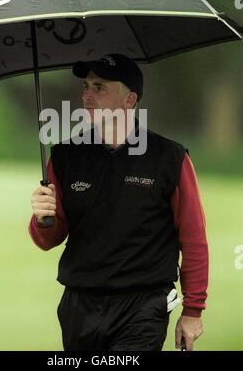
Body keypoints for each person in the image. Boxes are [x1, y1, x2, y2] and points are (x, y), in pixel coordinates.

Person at [29, 54, 209, 352]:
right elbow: (49, 239)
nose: (87, 95)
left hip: (143, 306)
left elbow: (193, 238)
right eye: (85, 86)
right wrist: (41, 218)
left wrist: (193, 310)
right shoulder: (64, 156)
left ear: (130, 100)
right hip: (79, 306)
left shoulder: (170, 158)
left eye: (99, 87)